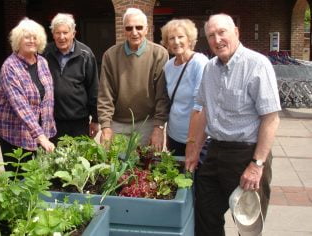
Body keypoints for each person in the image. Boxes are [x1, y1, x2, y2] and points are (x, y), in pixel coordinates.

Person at [185, 14, 281, 236]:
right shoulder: (209, 68)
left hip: (247, 153)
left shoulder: (257, 65)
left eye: (222, 32)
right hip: (215, 151)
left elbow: (271, 118)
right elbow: (204, 112)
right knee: (205, 214)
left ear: (236, 32)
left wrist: (257, 165)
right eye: (211, 35)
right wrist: (194, 149)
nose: (217, 39)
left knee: (247, 225)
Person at [98, 7, 169, 150]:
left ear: (147, 29)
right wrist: (105, 127)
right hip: (117, 124)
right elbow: (105, 95)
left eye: (139, 27)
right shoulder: (110, 56)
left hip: (147, 123)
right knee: (116, 169)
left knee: (145, 168)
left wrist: (159, 127)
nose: (134, 32)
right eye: (129, 28)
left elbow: (162, 96)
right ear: (124, 30)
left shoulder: (159, 54)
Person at [0, 18, 56, 173]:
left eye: (35, 37)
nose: (31, 41)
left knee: (39, 179)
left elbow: (48, 98)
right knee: (20, 182)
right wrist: (40, 136)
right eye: (27, 37)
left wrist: (47, 131)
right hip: (15, 134)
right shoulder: (10, 67)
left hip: (40, 132)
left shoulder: (42, 62)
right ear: (18, 40)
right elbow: (20, 105)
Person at [43, 13, 99, 144]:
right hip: (52, 121)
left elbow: (94, 89)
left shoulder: (86, 54)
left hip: (79, 121)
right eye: (57, 33)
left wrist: (96, 119)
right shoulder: (45, 53)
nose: (61, 37)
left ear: (73, 33)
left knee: (79, 161)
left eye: (65, 32)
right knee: (55, 161)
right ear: (53, 34)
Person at [160, 19, 209, 156]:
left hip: (195, 139)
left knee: (195, 177)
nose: (176, 42)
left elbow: (199, 106)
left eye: (181, 37)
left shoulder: (200, 63)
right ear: (167, 42)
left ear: (190, 39)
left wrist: (192, 142)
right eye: (171, 38)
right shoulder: (168, 66)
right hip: (173, 136)